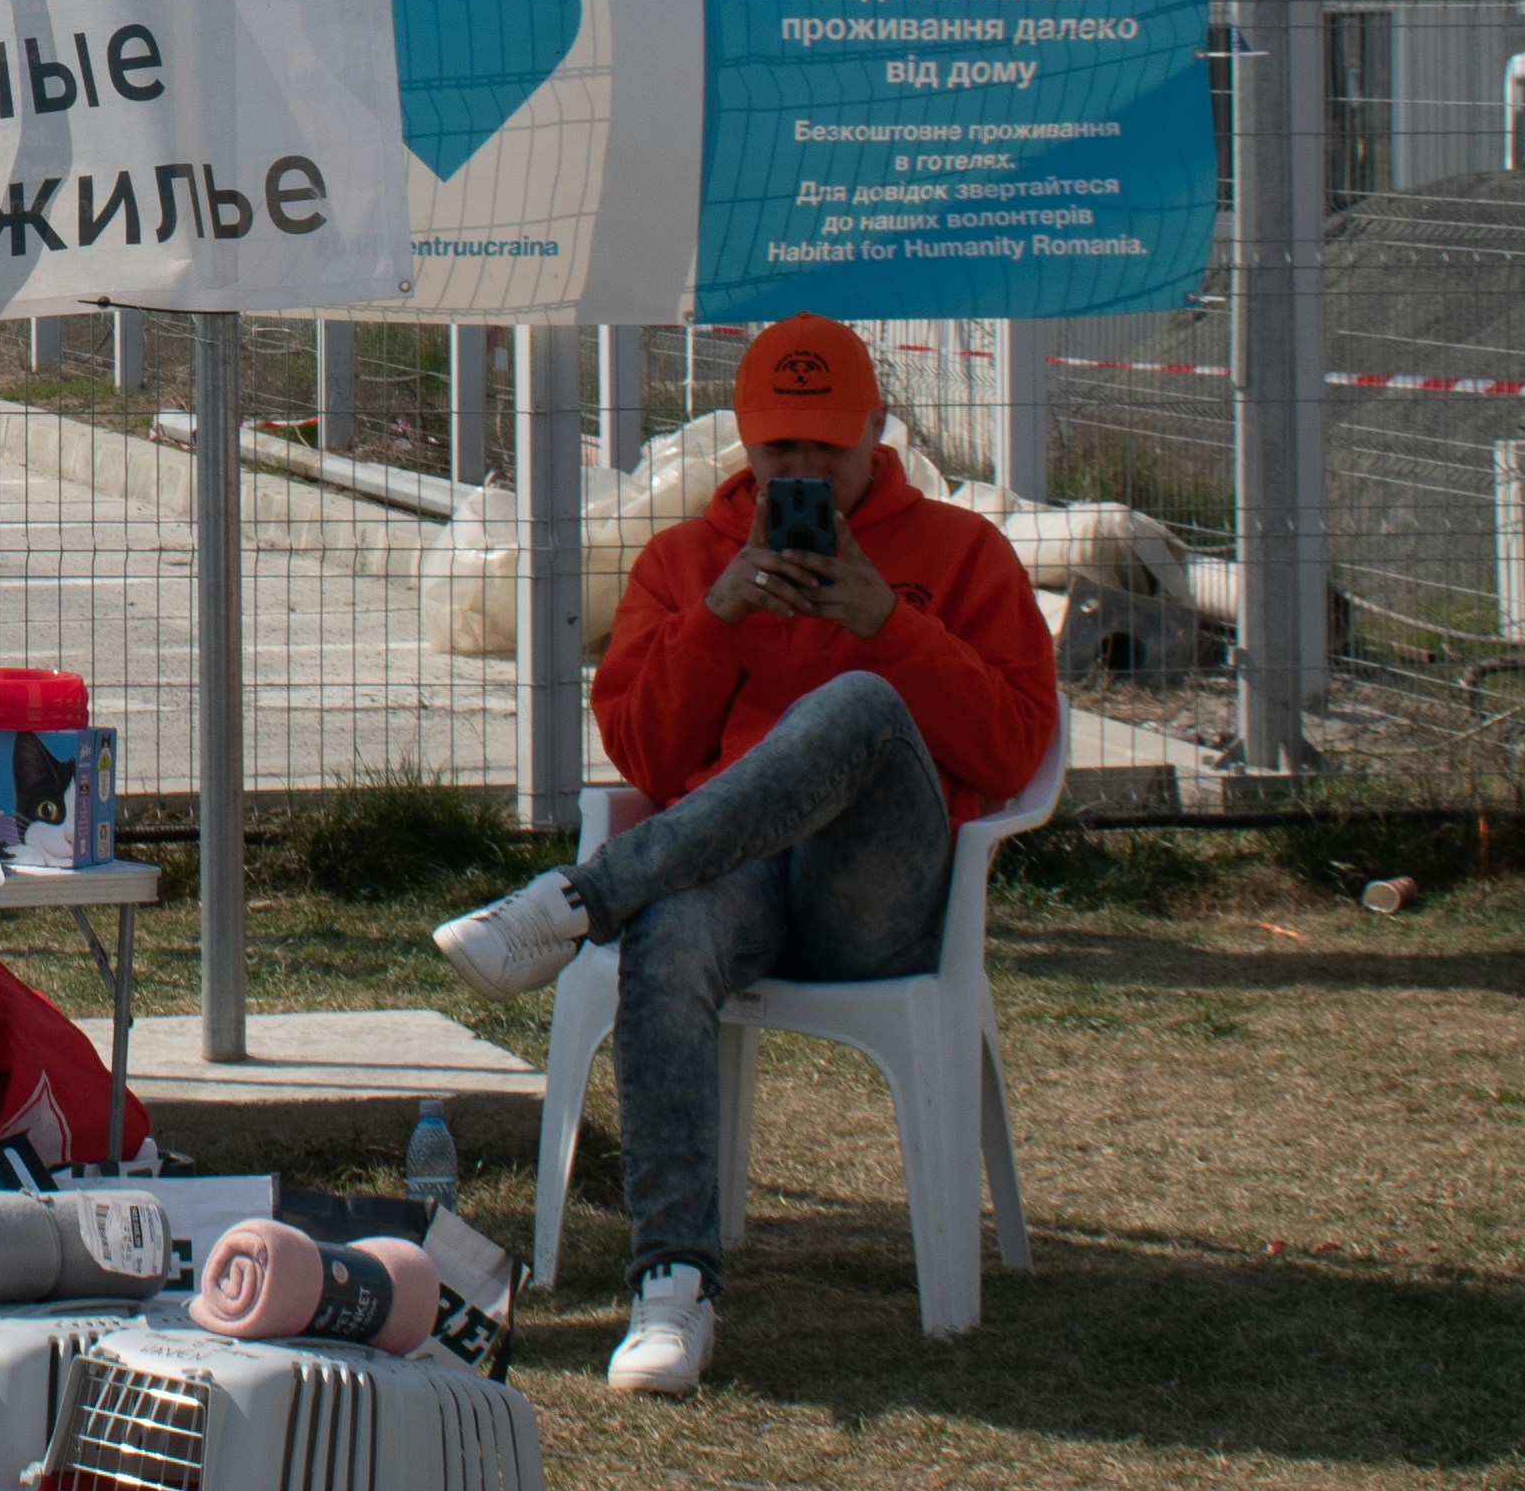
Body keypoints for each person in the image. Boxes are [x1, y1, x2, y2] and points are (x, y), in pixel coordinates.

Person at [432, 311, 1059, 1399]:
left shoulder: (963, 556)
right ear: (746, 448)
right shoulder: (684, 562)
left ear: (876, 433)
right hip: (732, 886)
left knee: (858, 700)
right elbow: (641, 755)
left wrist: (889, 626)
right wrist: (715, 620)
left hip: (879, 892)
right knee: (670, 928)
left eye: (828, 447)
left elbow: (1013, 752)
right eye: (783, 452)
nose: (805, 471)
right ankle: (670, 1284)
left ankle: (578, 901)